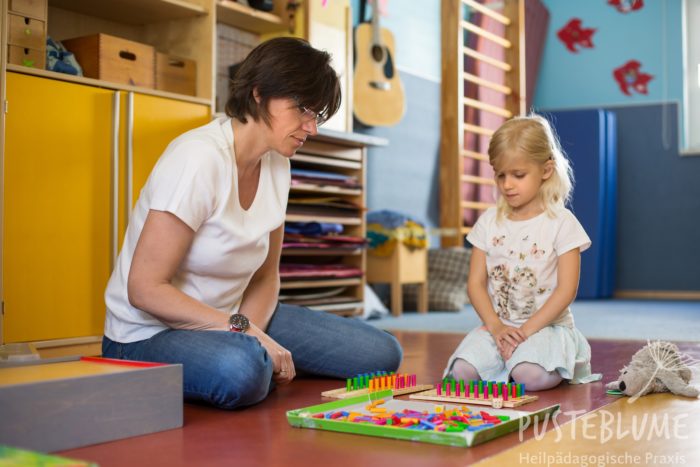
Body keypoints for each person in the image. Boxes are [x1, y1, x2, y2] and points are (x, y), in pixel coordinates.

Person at [102, 37, 402, 409]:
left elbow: (266, 276)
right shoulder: (198, 158)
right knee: (242, 370)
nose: (313, 128)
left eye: (318, 115)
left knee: (381, 353)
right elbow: (145, 289)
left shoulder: (279, 164)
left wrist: (251, 331)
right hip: (149, 333)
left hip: (235, 320)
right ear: (260, 94)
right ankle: (257, 363)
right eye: (304, 110)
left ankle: (262, 361)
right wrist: (245, 336)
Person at [444, 115, 601, 391]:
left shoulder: (562, 223)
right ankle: (507, 361)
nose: (507, 185)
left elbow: (566, 291)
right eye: (500, 174)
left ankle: (542, 361)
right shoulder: (488, 222)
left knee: (528, 376)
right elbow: (475, 283)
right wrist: (496, 327)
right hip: (498, 328)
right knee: (462, 373)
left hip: (545, 328)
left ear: (546, 170)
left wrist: (525, 332)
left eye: (518, 175)